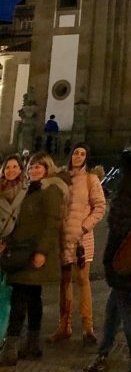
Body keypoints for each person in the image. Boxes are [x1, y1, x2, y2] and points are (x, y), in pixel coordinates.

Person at [84, 153, 131, 372]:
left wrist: (109, 262)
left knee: (126, 310)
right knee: (114, 309)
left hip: (123, 263)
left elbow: (117, 235)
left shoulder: (125, 200)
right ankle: (103, 352)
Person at [0, 153, 66, 367]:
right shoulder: (32, 189)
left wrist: (42, 252)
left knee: (21, 299)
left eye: (39, 167)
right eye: (32, 167)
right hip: (22, 251)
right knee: (31, 299)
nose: (34, 170)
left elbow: (52, 223)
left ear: (47, 168)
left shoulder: (50, 190)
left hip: (32, 253)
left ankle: (12, 349)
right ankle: (31, 345)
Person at [49, 143, 106, 345]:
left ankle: (87, 327)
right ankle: (64, 326)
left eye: (83, 153)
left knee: (82, 280)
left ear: (86, 158)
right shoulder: (62, 178)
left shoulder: (91, 180)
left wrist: (84, 227)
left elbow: (100, 207)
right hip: (63, 237)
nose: (78, 156)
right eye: (76, 153)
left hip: (82, 239)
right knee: (64, 282)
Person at [0, 156, 26, 243]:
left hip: (14, 240)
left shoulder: (26, 189)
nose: (11, 170)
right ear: (3, 171)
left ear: (20, 170)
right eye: (7, 167)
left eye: (15, 167)